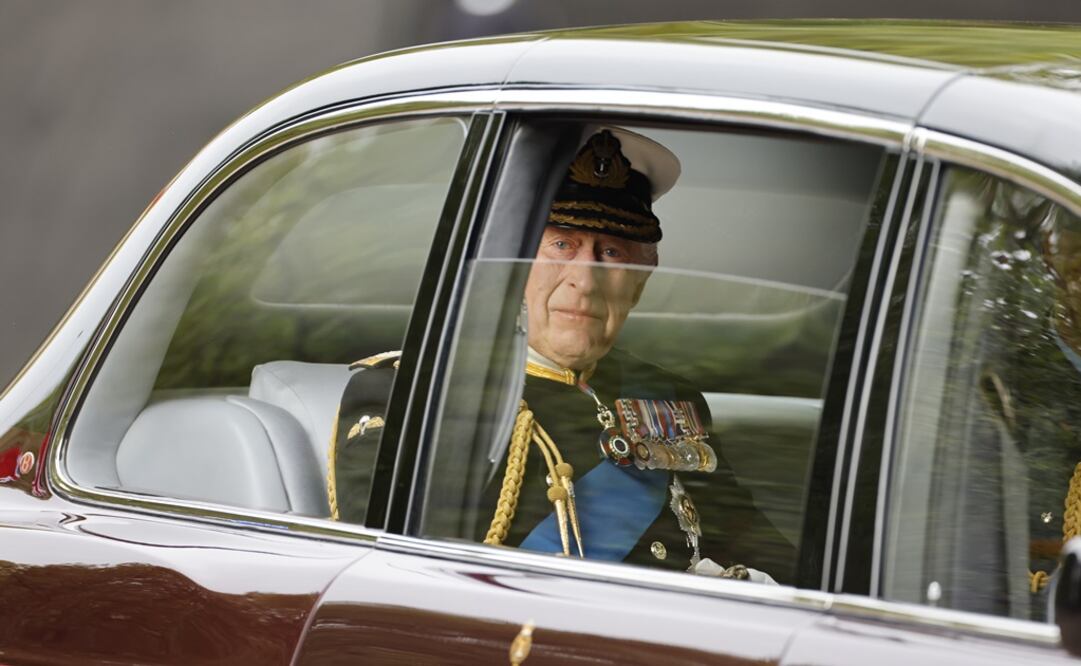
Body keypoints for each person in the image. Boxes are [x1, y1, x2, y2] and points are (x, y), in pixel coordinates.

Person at [329, 128, 794, 583]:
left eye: (611, 253)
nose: (585, 280)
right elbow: (405, 590)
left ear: (640, 280)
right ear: (513, 265)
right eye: (561, 244)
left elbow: (764, 551)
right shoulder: (410, 394)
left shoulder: (668, 396)